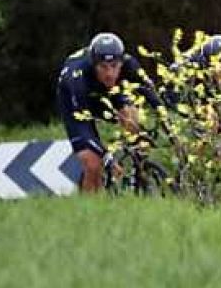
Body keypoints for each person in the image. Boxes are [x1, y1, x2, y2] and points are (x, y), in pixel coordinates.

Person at [55, 32, 163, 193]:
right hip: (78, 101)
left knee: (132, 117)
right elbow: (83, 122)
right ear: (93, 64)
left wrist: (165, 120)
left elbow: (152, 95)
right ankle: (90, 207)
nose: (109, 73)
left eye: (114, 66)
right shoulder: (77, 77)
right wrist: (106, 157)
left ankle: (139, 168)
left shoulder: (129, 63)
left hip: (110, 92)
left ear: (122, 62)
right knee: (93, 163)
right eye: (103, 67)